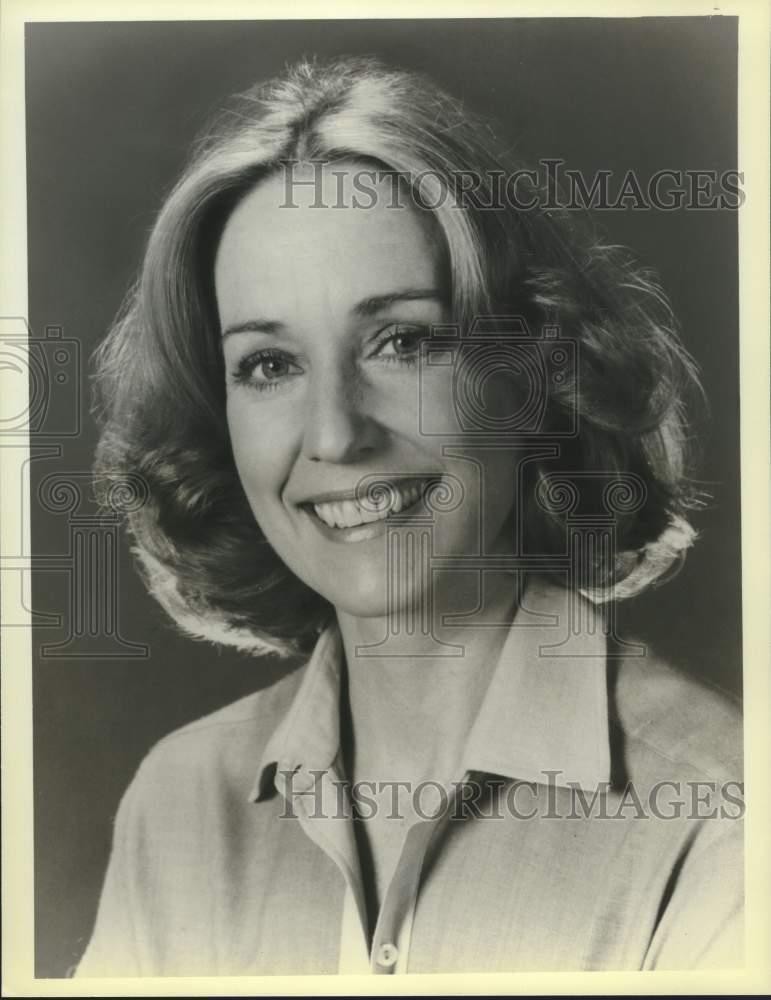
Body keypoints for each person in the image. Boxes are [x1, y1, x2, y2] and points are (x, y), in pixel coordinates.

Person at [76, 56, 742, 976]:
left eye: (403, 341)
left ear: (535, 366)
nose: (336, 435)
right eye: (269, 364)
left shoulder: (721, 816)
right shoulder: (181, 805)